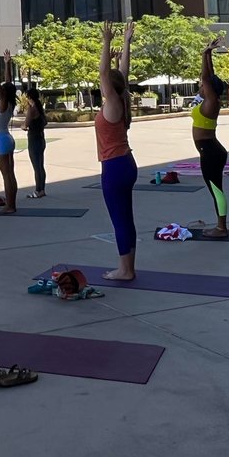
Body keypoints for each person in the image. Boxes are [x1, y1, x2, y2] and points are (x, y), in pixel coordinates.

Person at [97, 21, 138, 280]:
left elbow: (104, 74)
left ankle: (125, 270)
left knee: (119, 220)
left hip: (114, 167)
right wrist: (126, 43)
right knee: (126, 218)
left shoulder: (112, 102)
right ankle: (129, 267)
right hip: (126, 164)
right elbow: (121, 73)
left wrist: (107, 42)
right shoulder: (121, 99)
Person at [194, 37, 229, 238]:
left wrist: (204, 55)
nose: (201, 85)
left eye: (203, 85)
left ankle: (221, 228)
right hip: (211, 149)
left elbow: (207, 78)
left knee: (216, 190)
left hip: (210, 151)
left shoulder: (210, 102)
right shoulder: (212, 100)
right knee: (216, 189)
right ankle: (220, 225)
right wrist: (207, 54)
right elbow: (210, 77)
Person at [0, 48, 18, 215]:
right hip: (8, 138)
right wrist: (7, 63)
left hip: (2, 140)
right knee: (10, 174)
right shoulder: (10, 102)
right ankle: (11, 203)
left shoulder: (3, 104)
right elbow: (7, 83)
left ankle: (10, 206)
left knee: (6, 176)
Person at [24, 86, 48, 198]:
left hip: (33, 139)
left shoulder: (32, 109)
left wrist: (22, 126)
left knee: (36, 166)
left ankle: (38, 190)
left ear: (29, 97)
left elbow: (26, 124)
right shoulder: (40, 108)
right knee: (40, 165)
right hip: (41, 137)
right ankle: (42, 189)